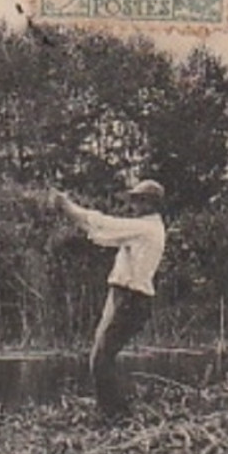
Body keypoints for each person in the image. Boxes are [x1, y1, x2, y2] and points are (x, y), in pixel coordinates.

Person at [53, 180, 168, 420]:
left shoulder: (145, 228)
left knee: (101, 359)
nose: (134, 205)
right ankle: (114, 411)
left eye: (139, 200)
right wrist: (70, 212)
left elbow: (103, 224)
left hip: (130, 298)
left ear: (151, 203)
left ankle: (116, 415)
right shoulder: (144, 229)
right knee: (101, 356)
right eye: (134, 200)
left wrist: (67, 205)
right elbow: (101, 235)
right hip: (125, 296)